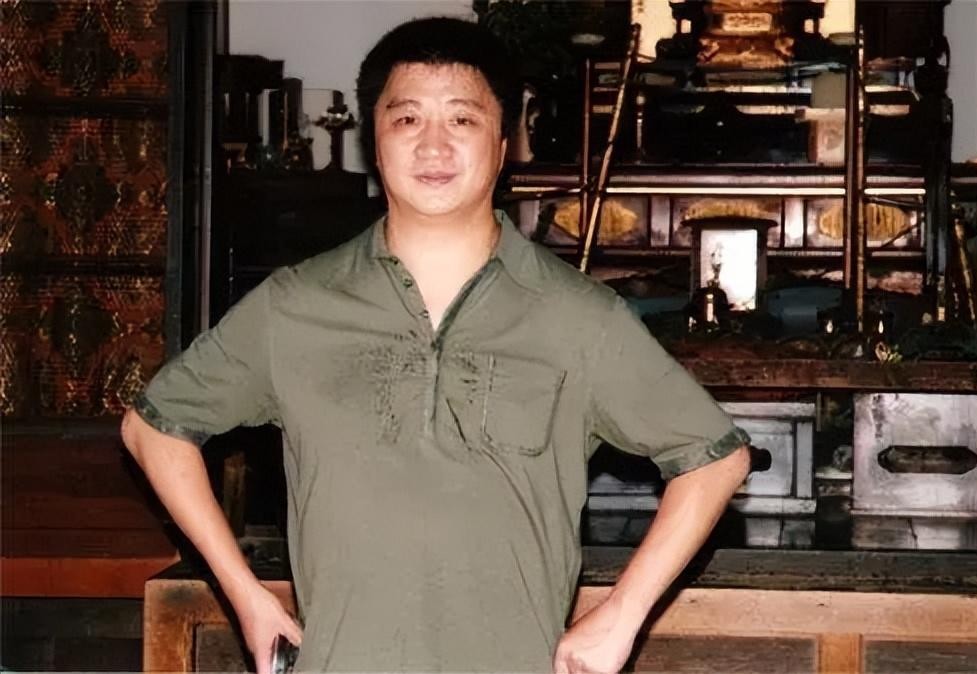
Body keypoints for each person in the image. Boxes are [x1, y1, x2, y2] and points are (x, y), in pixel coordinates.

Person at [121, 16, 751, 674]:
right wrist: (246, 595)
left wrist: (622, 615)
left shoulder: (578, 317)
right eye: (407, 119)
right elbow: (154, 429)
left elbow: (714, 460)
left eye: (462, 119)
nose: (433, 145)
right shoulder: (295, 305)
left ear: (504, 144)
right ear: (374, 142)